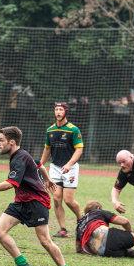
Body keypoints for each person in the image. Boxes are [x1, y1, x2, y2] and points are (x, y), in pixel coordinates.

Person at [0, 126, 73, 266]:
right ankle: (22, 264)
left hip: (36, 202)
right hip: (21, 201)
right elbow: (38, 164)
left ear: (11, 142)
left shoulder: (19, 157)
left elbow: (10, 183)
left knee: (45, 241)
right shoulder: (19, 154)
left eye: (1, 140)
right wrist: (47, 179)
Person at [37, 102, 83, 238]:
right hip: (55, 168)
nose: (58, 112)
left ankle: (81, 219)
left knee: (68, 200)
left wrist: (69, 164)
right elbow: (47, 149)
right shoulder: (50, 130)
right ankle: (63, 229)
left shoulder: (73, 130)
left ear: (65, 112)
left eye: (61, 110)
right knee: (57, 199)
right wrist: (40, 165)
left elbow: (79, 149)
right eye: (56, 109)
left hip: (71, 168)